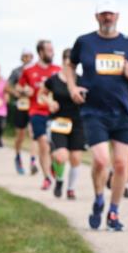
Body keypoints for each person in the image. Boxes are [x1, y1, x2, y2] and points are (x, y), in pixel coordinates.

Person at [66, 0, 128, 231]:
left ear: (117, 16)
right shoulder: (85, 42)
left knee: (121, 165)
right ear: (97, 17)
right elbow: (70, 65)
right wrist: (72, 87)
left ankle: (113, 211)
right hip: (93, 111)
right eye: (103, 13)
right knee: (102, 160)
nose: (107, 17)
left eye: (111, 13)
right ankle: (99, 197)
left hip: (121, 112)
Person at [42, 48, 86, 200]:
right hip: (58, 121)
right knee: (61, 156)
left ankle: (71, 189)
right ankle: (59, 180)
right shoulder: (53, 80)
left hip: (78, 122)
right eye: (68, 61)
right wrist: (50, 102)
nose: (70, 65)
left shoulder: (82, 80)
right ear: (63, 61)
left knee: (75, 158)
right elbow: (42, 94)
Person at [19, 40, 61, 190]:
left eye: (52, 50)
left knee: (54, 146)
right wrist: (24, 91)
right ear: (41, 52)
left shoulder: (58, 70)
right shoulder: (29, 70)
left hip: (55, 113)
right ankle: (47, 178)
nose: (52, 53)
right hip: (36, 111)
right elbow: (19, 87)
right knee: (42, 142)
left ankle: (52, 166)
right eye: (49, 50)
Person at [7, 49, 36, 175]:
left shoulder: (36, 70)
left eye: (29, 56)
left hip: (34, 105)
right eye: (25, 56)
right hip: (21, 105)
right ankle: (18, 157)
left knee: (34, 133)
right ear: (21, 58)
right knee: (21, 135)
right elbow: (7, 86)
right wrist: (16, 93)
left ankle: (33, 161)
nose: (27, 58)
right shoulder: (16, 71)